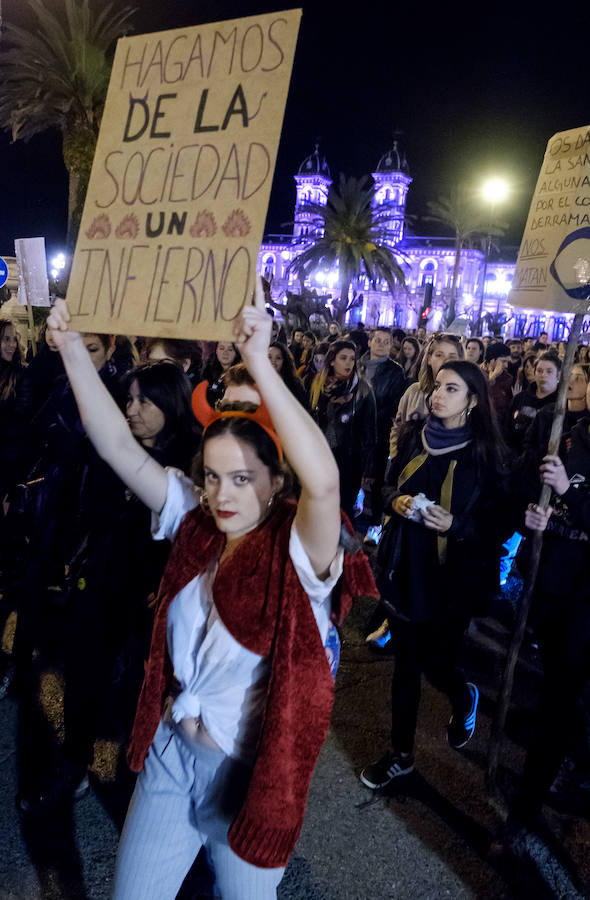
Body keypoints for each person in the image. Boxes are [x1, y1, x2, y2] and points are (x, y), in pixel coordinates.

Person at [46, 290, 376, 900]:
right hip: (170, 757)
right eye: (216, 475)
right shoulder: (194, 520)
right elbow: (116, 446)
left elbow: (326, 485)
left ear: (277, 479)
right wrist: (68, 348)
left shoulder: (299, 550)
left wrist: (261, 363)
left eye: (244, 478)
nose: (223, 496)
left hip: (246, 779)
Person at [360, 361, 507, 790]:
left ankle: (462, 694)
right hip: (406, 566)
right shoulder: (413, 436)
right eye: (437, 386)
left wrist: (457, 526)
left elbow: (499, 524)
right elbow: (386, 486)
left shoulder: (486, 454)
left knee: (436, 662)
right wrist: (396, 502)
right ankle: (401, 756)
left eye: (451, 389)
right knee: (406, 665)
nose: (438, 395)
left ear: (473, 400)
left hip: (452, 579)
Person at [311, 339, 377, 521]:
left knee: (343, 508)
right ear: (332, 361)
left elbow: (370, 430)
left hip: (349, 456)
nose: (349, 363)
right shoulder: (319, 385)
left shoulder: (363, 389)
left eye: (352, 359)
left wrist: (368, 467)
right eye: (343, 358)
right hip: (321, 455)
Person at [390, 334, 464, 458]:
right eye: (439, 355)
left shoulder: (464, 396)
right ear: (429, 359)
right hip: (409, 463)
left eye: (452, 356)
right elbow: (398, 427)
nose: (445, 361)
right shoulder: (414, 391)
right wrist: (395, 456)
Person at [360, 329, 406, 526]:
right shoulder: (358, 365)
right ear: (369, 342)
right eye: (377, 340)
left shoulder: (395, 371)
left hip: (379, 431)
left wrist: (369, 413)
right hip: (354, 429)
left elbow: (395, 403)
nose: (381, 344)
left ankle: (373, 521)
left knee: (376, 477)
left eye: (386, 342)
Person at [507, 352, 560, 454]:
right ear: (534, 373)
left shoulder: (561, 405)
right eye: (539, 371)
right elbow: (507, 428)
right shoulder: (520, 399)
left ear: (558, 375)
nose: (543, 375)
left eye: (549, 371)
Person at [267, 341, 309, 409]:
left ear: (284, 361)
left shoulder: (294, 384)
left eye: (278, 358)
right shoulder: (256, 382)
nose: (273, 361)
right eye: (269, 357)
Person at [202, 341, 241, 406]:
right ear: (216, 351)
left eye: (230, 349)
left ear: (236, 353)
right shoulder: (207, 372)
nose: (225, 353)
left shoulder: (240, 375)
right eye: (221, 348)